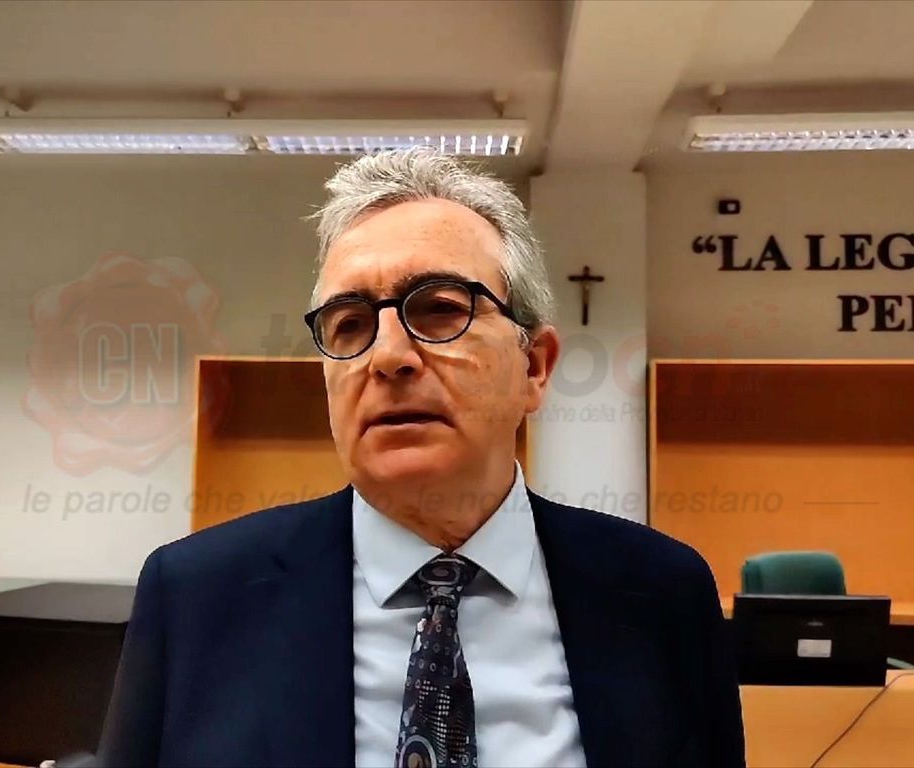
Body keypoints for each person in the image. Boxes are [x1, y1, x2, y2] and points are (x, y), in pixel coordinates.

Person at [98, 148, 745, 768]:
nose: (387, 356)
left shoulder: (663, 595)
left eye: (440, 310)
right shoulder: (196, 598)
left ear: (534, 367)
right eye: (350, 323)